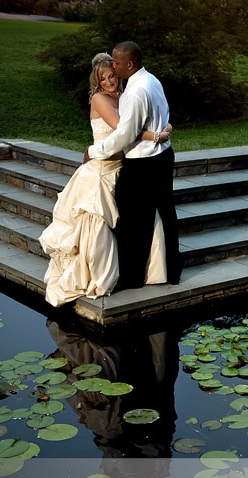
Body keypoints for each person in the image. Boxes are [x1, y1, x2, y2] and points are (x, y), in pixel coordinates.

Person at [39, 52, 171, 307]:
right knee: (98, 223)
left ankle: (147, 272)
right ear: (97, 81)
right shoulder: (99, 99)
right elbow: (125, 129)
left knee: (140, 218)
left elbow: (143, 120)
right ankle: (98, 276)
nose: (110, 81)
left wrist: (165, 127)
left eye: (112, 75)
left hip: (124, 166)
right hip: (100, 169)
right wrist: (158, 135)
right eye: (104, 78)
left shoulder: (125, 96)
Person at [85, 41, 182, 289]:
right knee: (166, 214)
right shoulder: (151, 80)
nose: (113, 68)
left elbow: (125, 134)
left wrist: (94, 150)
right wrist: (163, 132)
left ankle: (132, 278)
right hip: (163, 156)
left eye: (116, 63)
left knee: (131, 221)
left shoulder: (136, 92)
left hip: (143, 162)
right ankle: (172, 272)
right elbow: (165, 114)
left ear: (130, 64)